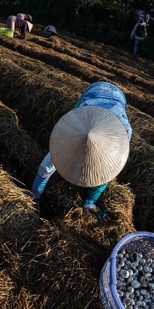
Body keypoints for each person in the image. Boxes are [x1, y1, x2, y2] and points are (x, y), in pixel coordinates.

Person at [31, 81, 132, 221]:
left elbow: (106, 174)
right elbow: (44, 170)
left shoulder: (123, 133)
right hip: (93, 93)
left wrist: (89, 202)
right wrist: (34, 196)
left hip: (118, 99)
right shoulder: (71, 128)